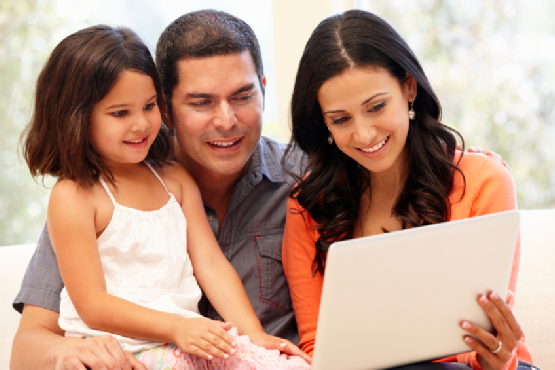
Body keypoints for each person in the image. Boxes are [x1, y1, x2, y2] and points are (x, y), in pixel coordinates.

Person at [10, 9, 507, 370]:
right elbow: (28, 345)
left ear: (264, 87)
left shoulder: (311, 186)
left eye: (243, 96)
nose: (226, 120)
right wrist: (70, 353)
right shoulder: (96, 195)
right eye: (201, 101)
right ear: (165, 103)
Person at [18, 24, 310, 370]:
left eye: (148, 106)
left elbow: (212, 265)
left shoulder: (174, 179)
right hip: (133, 352)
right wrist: (177, 327)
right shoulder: (74, 197)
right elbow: (85, 307)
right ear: (78, 119)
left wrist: (253, 336)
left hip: (195, 342)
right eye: (120, 113)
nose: (141, 124)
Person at [281, 9, 535, 370]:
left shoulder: (484, 181)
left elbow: (489, 335)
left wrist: (495, 356)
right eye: (341, 119)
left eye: (377, 107)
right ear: (323, 122)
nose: (365, 134)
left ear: (409, 87)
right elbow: (318, 348)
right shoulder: (308, 205)